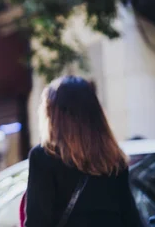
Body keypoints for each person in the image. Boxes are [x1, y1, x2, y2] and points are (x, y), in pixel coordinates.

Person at [24, 76, 142, 227]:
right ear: (95, 115)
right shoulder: (113, 160)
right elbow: (131, 219)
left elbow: (38, 222)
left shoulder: (44, 157)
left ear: (53, 115)